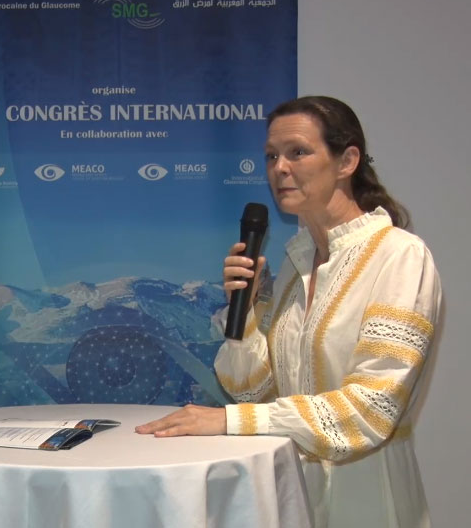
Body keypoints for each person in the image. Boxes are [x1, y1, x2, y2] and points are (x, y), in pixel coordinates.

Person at [136, 96, 442, 528]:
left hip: (367, 495)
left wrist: (226, 421)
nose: (279, 168)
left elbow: (370, 410)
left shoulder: (399, 256)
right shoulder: (297, 263)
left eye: (298, 152)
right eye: (271, 156)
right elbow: (253, 392)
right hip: (289, 491)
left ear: (347, 161)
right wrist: (242, 313)